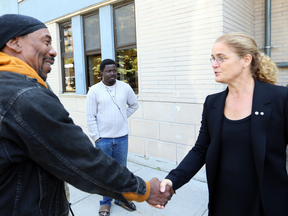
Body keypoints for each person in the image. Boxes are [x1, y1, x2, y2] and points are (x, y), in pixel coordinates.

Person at [0, 14, 173, 216]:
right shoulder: (25, 96)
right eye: (46, 42)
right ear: (14, 43)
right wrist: (145, 190)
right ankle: (106, 203)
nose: (54, 51)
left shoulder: (13, 87)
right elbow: (84, 160)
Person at [158, 32, 288, 216]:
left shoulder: (280, 98)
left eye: (221, 58)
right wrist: (172, 180)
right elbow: (201, 149)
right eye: (212, 58)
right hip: (224, 203)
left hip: (267, 204)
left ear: (246, 60)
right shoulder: (213, 103)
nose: (214, 64)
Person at [86, 58, 139, 216]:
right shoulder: (94, 91)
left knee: (122, 170)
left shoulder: (125, 87)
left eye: (114, 70)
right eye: (108, 71)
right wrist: (97, 137)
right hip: (104, 140)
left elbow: (134, 105)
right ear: (101, 72)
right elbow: (90, 117)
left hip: (122, 138)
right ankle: (105, 202)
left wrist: (123, 116)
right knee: (105, 172)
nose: (112, 73)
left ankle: (121, 198)